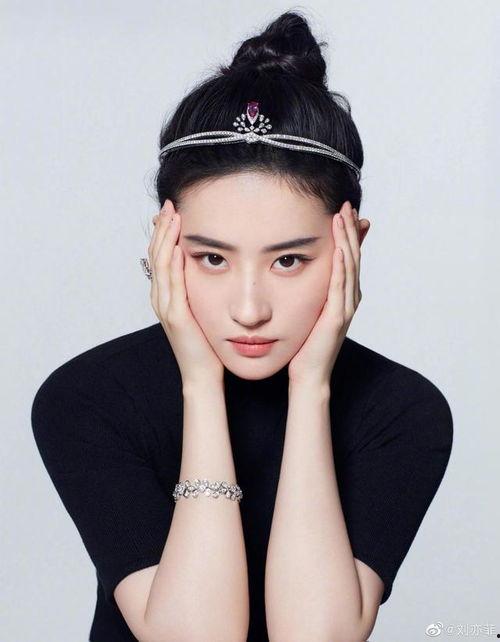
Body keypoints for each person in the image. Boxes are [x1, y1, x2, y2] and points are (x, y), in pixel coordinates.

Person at [31, 10, 453, 642]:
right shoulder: (89, 399)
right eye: (212, 258)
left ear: (352, 245)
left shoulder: (403, 411)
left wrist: (311, 387)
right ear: (165, 243)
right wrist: (200, 385)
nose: (249, 308)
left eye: (289, 261)